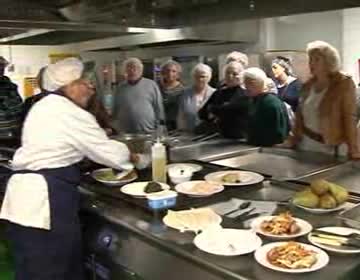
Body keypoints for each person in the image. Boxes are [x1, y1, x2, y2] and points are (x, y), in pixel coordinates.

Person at [0, 57, 136, 280]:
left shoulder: (44, 106)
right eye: (85, 82)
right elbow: (109, 152)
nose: (91, 87)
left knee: (34, 269)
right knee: (53, 270)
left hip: (27, 203)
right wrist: (135, 157)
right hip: (45, 203)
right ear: (69, 86)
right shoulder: (67, 111)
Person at [280, 41, 359, 159]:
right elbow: (300, 116)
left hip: (330, 146)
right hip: (306, 143)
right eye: (310, 60)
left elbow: (349, 117)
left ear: (329, 62)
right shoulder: (308, 85)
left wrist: (354, 149)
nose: (312, 63)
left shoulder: (343, 84)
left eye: (317, 60)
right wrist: (292, 139)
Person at [198, 61, 251, 139]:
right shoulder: (219, 92)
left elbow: (229, 111)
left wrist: (214, 109)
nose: (230, 76)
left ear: (241, 76)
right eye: (227, 73)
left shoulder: (245, 93)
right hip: (218, 136)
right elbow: (202, 113)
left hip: (238, 138)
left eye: (235, 74)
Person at [113, 57, 165, 134]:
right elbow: (115, 109)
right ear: (125, 71)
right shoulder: (120, 88)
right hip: (126, 132)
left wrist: (161, 125)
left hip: (148, 130)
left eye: (135, 68)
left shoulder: (151, 85)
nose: (132, 71)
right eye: (129, 68)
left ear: (141, 70)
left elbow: (158, 107)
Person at [243, 67, 289, 146]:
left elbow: (278, 133)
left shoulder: (271, 103)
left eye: (249, 84)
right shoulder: (255, 100)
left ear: (258, 83)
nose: (245, 87)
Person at [177, 63, 215, 132]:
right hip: (188, 133)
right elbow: (181, 115)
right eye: (196, 76)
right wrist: (181, 131)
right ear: (193, 77)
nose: (200, 79)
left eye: (203, 76)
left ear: (209, 77)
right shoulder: (185, 93)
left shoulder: (215, 93)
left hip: (208, 134)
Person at [0, 56, 23, 145]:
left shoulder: (10, 86)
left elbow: (19, 108)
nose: (1, 69)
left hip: (15, 136)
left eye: (2, 66)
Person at [159, 60, 185, 131]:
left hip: (175, 125)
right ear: (163, 73)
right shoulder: (156, 88)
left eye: (174, 71)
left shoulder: (183, 90)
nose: (170, 73)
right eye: (167, 71)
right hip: (158, 124)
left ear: (178, 74)